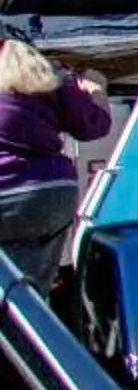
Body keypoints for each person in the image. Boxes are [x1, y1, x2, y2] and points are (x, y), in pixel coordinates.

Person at [0, 36, 112, 282]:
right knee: (29, 289)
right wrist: (97, 90)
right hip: (50, 192)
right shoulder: (55, 79)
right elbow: (94, 126)